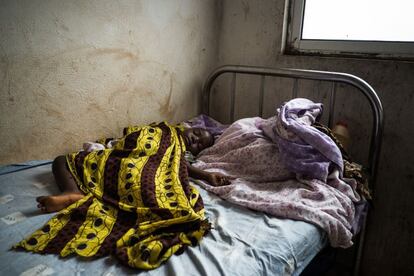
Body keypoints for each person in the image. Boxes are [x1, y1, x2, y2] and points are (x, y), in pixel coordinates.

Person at [36, 124, 231, 213]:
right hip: (121, 156)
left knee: (63, 161)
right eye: (196, 133)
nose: (195, 139)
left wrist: (206, 175)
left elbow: (179, 166)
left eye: (199, 144)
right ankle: (71, 192)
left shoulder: (180, 152)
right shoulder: (167, 129)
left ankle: (73, 192)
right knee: (62, 161)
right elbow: (136, 136)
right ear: (188, 127)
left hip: (139, 169)